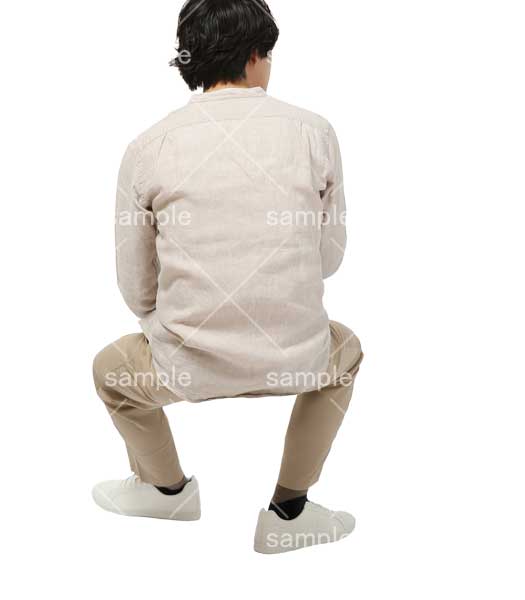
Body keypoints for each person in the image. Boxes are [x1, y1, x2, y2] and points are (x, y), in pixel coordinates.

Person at [92, 0, 364, 555]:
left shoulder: (147, 147)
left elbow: (135, 286)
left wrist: (184, 331)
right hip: (298, 358)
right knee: (347, 351)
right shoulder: (315, 131)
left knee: (109, 372)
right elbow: (328, 258)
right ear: (257, 54)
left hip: (185, 369)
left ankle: (166, 491)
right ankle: (289, 512)